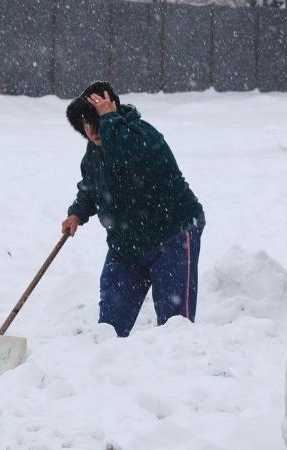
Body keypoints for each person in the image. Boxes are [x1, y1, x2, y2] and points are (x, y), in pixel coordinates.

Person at [62, 81, 205, 337]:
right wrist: (77, 212)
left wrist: (109, 118)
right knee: (109, 329)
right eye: (86, 123)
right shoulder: (94, 152)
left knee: (175, 329)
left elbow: (123, 154)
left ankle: (176, 372)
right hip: (126, 243)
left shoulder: (141, 136)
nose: (92, 129)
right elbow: (91, 186)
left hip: (172, 234)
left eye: (96, 120)